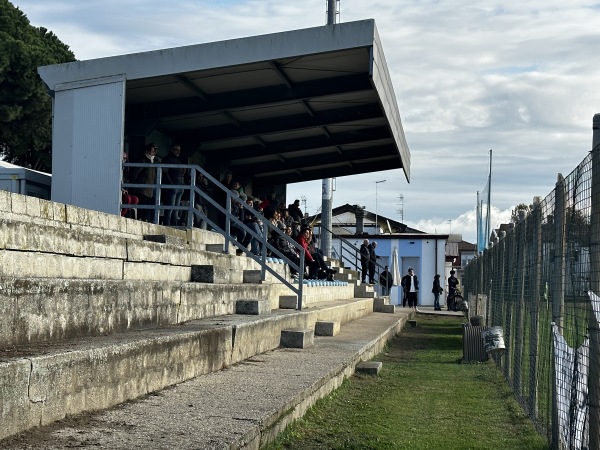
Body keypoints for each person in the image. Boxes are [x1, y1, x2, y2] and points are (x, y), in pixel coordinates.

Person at [131, 143, 158, 222]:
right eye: (150, 151)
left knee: (147, 207)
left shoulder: (153, 163)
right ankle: (140, 219)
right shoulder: (143, 161)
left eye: (153, 151)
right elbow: (135, 174)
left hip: (150, 189)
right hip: (142, 189)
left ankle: (145, 220)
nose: (151, 153)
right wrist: (135, 185)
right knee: (142, 206)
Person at [161, 144, 185, 226]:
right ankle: (167, 224)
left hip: (180, 186)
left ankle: (174, 225)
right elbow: (165, 172)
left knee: (176, 209)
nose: (178, 151)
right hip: (172, 186)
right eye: (176, 149)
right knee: (170, 208)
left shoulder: (178, 160)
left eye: (179, 150)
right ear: (172, 149)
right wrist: (171, 184)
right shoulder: (167, 159)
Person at [121, 152, 139, 217]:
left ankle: (124, 214)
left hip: (123, 193)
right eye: (122, 158)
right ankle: (121, 216)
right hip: (116, 194)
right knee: (127, 199)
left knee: (135, 199)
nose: (124, 160)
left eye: (125, 158)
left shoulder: (125, 170)